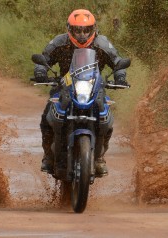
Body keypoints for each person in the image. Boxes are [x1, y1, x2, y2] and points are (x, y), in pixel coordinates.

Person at [33, 9, 129, 176]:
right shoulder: (59, 42)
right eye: (77, 30)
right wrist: (41, 71)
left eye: (86, 30)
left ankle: (99, 158)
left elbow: (117, 61)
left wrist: (120, 75)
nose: (82, 34)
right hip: (65, 85)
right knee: (47, 116)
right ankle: (48, 156)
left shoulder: (102, 43)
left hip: (94, 87)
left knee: (106, 118)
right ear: (69, 29)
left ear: (93, 29)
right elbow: (44, 58)